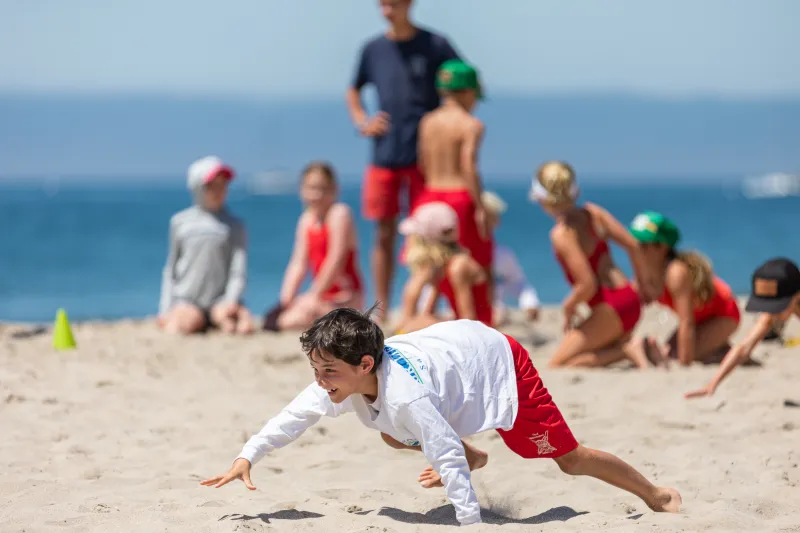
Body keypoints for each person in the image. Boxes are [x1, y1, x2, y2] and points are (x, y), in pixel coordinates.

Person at [201, 308, 682, 526]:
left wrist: (468, 523)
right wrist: (248, 456)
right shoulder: (344, 380)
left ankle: (656, 494)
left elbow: (444, 456)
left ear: (364, 364)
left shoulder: (405, 397)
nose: (320, 380)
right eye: (316, 369)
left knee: (568, 460)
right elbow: (294, 416)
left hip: (495, 360)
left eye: (327, 370)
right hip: (449, 356)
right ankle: (476, 452)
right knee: (393, 433)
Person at [346, 0, 462, 323]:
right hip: (384, 154)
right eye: (382, 4)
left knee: (429, 231)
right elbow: (352, 90)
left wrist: (447, 122)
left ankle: (428, 305)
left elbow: (465, 83)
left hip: (426, 158)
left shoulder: (435, 44)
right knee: (383, 231)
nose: (387, 10)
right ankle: (380, 307)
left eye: (393, 4)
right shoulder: (373, 49)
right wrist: (362, 121)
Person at [531, 162, 652, 368]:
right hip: (629, 298)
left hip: (611, 307)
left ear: (542, 198)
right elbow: (634, 245)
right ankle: (642, 348)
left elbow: (587, 285)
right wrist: (643, 284)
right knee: (594, 349)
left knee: (559, 364)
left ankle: (627, 350)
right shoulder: (593, 213)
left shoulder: (562, 234)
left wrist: (568, 307)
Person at [629, 211, 741, 366]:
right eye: (635, 243)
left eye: (643, 245)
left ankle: (732, 354)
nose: (637, 249)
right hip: (699, 317)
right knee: (668, 350)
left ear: (662, 247)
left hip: (724, 314)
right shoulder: (647, 272)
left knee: (679, 355)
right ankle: (717, 348)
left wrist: (684, 364)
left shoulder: (675, 273)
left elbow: (686, 322)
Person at [158, 156, 254, 335]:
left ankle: (217, 321)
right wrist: (164, 309)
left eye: (223, 185)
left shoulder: (234, 225)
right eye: (212, 186)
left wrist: (231, 300)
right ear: (197, 188)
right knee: (178, 328)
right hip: (188, 300)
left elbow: (238, 270)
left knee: (243, 327)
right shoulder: (180, 222)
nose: (219, 191)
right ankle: (200, 321)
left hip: (221, 301)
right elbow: (171, 269)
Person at [415, 58, 492, 278]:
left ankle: (417, 311)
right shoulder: (471, 125)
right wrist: (480, 206)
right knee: (472, 265)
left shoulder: (427, 121)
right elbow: (469, 165)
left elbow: (422, 161)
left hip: (429, 195)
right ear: (468, 92)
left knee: (427, 265)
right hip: (460, 199)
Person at [263, 162, 364, 332]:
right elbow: (298, 262)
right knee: (282, 318)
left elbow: (336, 257)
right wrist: (286, 299)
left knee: (295, 319)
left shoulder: (339, 213)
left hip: (346, 296)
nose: (317, 195)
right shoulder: (306, 220)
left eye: (323, 189)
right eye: (312, 188)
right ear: (302, 190)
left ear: (334, 190)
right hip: (323, 296)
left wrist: (314, 295)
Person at [415, 191, 541, 326]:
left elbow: (517, 283)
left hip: (485, 316)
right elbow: (430, 297)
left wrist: (529, 303)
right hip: (461, 316)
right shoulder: (453, 257)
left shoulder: (500, 255)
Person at [686, 258, 800, 398]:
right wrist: (713, 383)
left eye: (778, 306)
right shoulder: (773, 314)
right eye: (769, 306)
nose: (774, 312)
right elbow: (743, 348)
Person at [394, 202, 490, 334]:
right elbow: (424, 311)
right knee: (414, 324)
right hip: (466, 325)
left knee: (413, 325)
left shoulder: (459, 266)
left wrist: (417, 282)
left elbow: (470, 322)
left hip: (481, 330)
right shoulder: (442, 264)